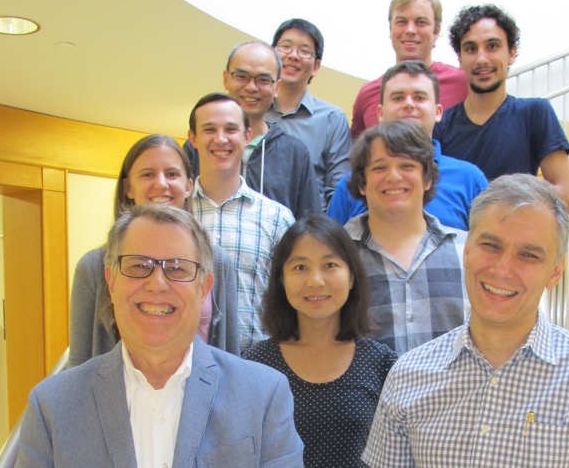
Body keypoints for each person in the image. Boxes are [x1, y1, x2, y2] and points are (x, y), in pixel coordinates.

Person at [362, 174, 569, 467]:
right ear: (466, 250)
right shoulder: (408, 376)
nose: (502, 269)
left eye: (529, 255)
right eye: (491, 246)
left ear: (555, 272)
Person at [17, 205, 304, 467]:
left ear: (204, 288)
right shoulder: (51, 407)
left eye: (177, 268)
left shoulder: (263, 395)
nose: (157, 284)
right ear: (111, 281)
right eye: (139, 265)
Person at [68, 134, 239, 365]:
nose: (161, 184)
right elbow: (80, 363)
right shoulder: (93, 267)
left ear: (188, 186)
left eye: (172, 174)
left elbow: (230, 355)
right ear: (128, 187)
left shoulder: (218, 263)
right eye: (148, 174)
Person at [244, 215, 397, 467]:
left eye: (330, 265)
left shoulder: (382, 363)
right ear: (281, 280)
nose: (316, 281)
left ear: (351, 277)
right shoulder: (254, 366)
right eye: (300, 267)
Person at [433, 4, 569, 211]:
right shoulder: (441, 124)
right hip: (460, 241)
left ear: (511, 53)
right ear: (460, 58)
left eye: (492, 46)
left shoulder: (535, 113)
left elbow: (566, 195)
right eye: (470, 49)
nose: (481, 58)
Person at [345, 120, 466, 355]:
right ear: (362, 182)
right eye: (379, 167)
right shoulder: (339, 254)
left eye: (407, 165)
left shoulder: (466, 250)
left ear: (427, 179)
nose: (393, 176)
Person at [187, 92, 294, 351]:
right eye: (209, 129)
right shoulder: (178, 214)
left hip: (256, 366)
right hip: (184, 365)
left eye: (231, 129)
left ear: (247, 136)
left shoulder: (277, 218)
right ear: (193, 138)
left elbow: (290, 301)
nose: (221, 139)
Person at [328, 60, 487, 229]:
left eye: (419, 97)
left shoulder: (470, 180)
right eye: (398, 98)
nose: (409, 104)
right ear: (380, 113)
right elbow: (331, 251)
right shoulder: (352, 184)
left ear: (438, 112)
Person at [186, 41, 322, 219]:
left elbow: (310, 226)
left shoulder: (294, 153)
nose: (251, 87)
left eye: (263, 80)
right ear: (226, 78)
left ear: (277, 87)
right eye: (241, 77)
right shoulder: (198, 146)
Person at [350, 0, 467, 139]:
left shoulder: (463, 84)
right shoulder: (367, 94)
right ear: (390, 29)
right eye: (401, 22)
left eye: (421, 22)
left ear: (437, 31)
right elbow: (358, 153)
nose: (410, 30)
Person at [266, 19, 351, 210]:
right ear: (272, 54)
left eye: (304, 51)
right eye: (286, 47)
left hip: (308, 231)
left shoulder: (333, 119)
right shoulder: (251, 112)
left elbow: (338, 189)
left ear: (316, 66)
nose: (293, 56)